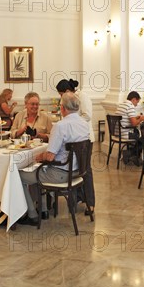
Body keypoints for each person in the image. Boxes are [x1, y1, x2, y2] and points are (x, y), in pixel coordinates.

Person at [17, 93, 90, 226]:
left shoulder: (60, 126)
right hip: (78, 171)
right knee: (38, 170)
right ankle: (43, 209)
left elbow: (50, 157)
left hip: (61, 174)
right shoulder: (84, 123)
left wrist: (38, 157)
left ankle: (32, 214)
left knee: (19, 176)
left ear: (62, 108)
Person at [55, 79, 95, 215]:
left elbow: (87, 115)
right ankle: (78, 197)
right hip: (74, 138)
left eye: (61, 94)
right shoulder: (70, 99)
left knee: (86, 170)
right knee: (75, 168)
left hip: (85, 138)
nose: (61, 97)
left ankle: (91, 202)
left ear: (67, 91)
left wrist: (72, 125)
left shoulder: (83, 97)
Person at [115, 91, 144, 163]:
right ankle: (130, 154)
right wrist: (141, 119)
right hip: (125, 133)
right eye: (137, 102)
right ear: (133, 99)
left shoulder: (122, 105)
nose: (136, 105)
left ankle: (131, 154)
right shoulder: (130, 106)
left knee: (138, 136)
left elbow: (127, 118)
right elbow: (134, 124)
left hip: (118, 132)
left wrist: (137, 117)